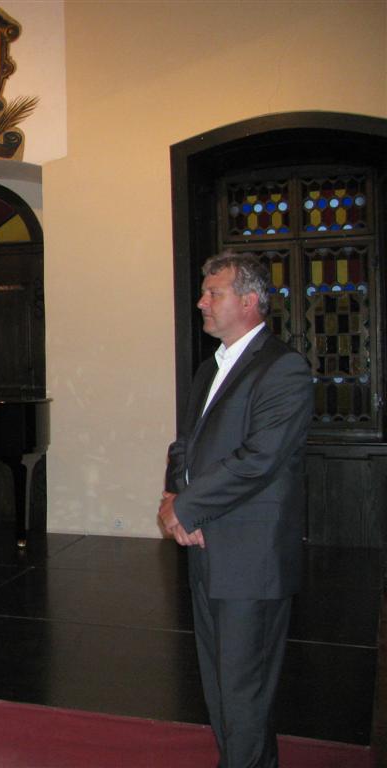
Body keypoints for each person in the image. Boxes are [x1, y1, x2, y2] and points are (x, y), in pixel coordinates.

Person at [159, 252, 313, 768]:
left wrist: (188, 508)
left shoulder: (283, 368)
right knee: (221, 688)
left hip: (250, 557)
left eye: (213, 293)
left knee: (244, 692)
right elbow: (186, 445)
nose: (201, 302)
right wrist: (173, 497)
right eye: (204, 292)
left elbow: (260, 459)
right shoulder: (211, 368)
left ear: (248, 301)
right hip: (207, 547)